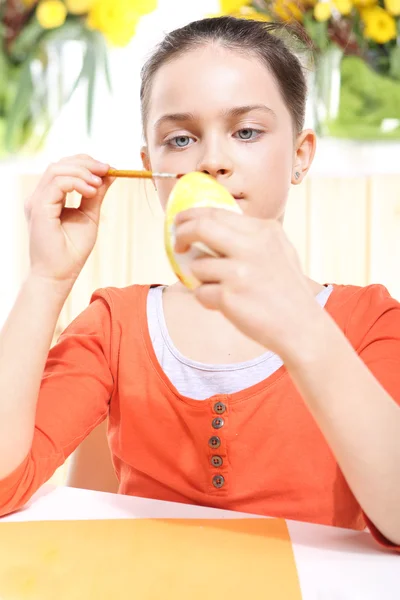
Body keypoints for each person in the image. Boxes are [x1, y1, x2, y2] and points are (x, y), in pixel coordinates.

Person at [0, 16, 399, 550]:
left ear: (301, 155)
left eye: (247, 132)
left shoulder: (370, 323)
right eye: (181, 138)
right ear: (150, 167)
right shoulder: (113, 325)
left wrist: (304, 328)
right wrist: (47, 278)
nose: (212, 161)